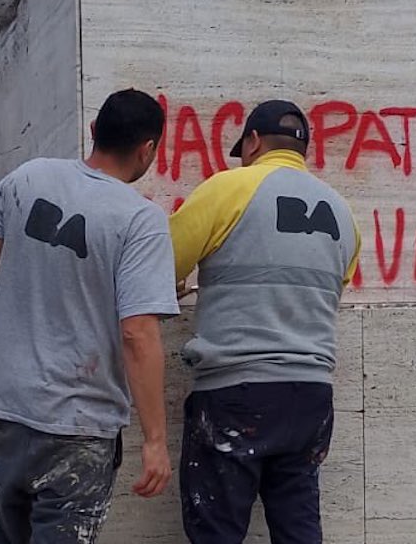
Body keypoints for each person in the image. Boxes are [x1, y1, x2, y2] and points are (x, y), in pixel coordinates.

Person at [0, 89, 180, 544]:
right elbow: (138, 334)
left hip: (3, 415)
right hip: (78, 430)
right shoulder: (140, 221)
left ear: (93, 132)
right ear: (148, 149)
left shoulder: (25, 179)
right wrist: (155, 440)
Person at [169, 100, 361, 543]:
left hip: (236, 391)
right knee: (298, 528)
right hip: (310, 396)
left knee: (216, 530)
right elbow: (332, 288)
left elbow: (155, 266)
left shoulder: (230, 188)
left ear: (252, 141)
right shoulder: (342, 213)